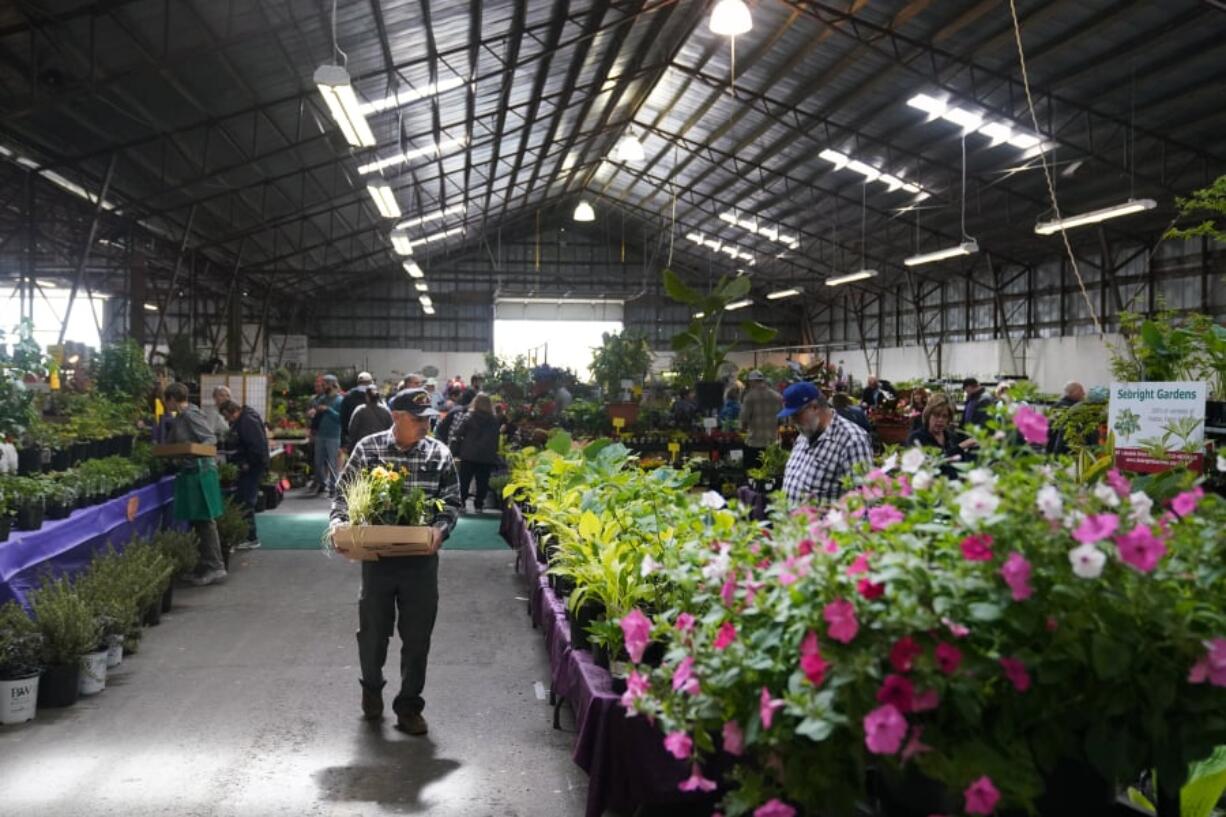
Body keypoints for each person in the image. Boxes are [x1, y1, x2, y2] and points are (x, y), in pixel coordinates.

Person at [329, 388, 460, 736]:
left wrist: (440, 528)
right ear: (396, 417)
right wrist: (339, 525)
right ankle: (371, 688)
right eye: (417, 420)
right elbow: (343, 495)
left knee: (418, 638)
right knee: (373, 634)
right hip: (378, 560)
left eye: (428, 420)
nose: (425, 426)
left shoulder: (439, 453)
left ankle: (409, 706)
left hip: (421, 561)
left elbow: (451, 502)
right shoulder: (369, 449)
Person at [163, 383, 226, 586]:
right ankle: (204, 566)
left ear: (173, 399)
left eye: (167, 400)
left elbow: (209, 439)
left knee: (205, 521)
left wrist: (190, 451)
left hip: (201, 472)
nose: (165, 404)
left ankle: (215, 567)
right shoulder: (180, 418)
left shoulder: (190, 415)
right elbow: (171, 444)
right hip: (191, 472)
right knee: (197, 521)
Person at [778, 382, 873, 506]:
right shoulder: (806, 433)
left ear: (815, 407)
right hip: (789, 524)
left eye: (796, 415)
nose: (793, 422)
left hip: (823, 525)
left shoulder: (852, 440)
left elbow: (864, 500)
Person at [220, 399, 269, 551]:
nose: (227, 420)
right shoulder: (246, 418)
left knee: (246, 500)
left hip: (252, 467)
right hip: (251, 466)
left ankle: (251, 537)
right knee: (243, 499)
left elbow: (257, 446)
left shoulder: (247, 421)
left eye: (226, 417)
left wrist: (247, 464)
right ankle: (247, 536)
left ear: (232, 411)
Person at [451, 393, 500, 513]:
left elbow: (457, 433)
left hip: (468, 454)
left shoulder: (469, 416)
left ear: (475, 403)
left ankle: (461, 504)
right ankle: (479, 505)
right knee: (482, 481)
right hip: (486, 456)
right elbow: (496, 438)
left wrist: (457, 447)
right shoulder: (494, 420)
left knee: (464, 481)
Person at [906, 395, 977, 478]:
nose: (940, 420)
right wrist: (960, 447)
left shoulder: (952, 437)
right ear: (928, 416)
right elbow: (931, 463)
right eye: (936, 415)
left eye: (944, 416)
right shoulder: (916, 438)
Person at [740, 370, 783, 469]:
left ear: (752, 381)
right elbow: (781, 421)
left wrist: (743, 430)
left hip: (754, 443)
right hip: (772, 442)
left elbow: (744, 420)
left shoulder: (749, 397)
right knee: (770, 473)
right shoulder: (777, 397)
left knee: (753, 473)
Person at [313, 374, 344, 496]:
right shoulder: (322, 399)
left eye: (325, 384)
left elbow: (340, 418)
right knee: (318, 461)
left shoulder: (340, 400)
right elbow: (316, 410)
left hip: (333, 435)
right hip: (320, 434)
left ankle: (333, 487)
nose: (323, 386)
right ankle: (322, 483)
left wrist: (328, 410)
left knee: (332, 463)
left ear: (332, 385)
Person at [1047, 381, 1087, 456]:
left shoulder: (1057, 406)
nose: (1084, 393)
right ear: (1074, 392)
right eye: (1081, 391)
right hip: (1065, 451)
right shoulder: (1071, 409)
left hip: (1054, 449)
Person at [340, 371, 375, 453]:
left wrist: (344, 440)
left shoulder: (348, 396)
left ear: (358, 382)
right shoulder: (375, 396)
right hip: (371, 437)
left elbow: (343, 419)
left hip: (353, 438)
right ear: (370, 382)